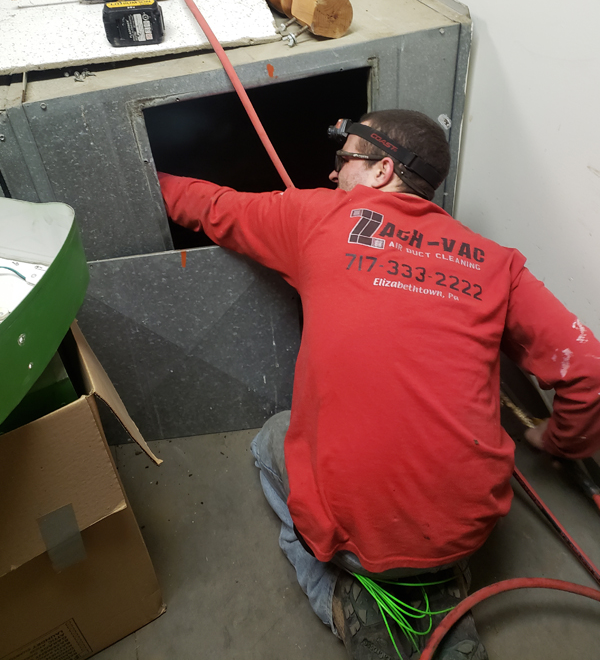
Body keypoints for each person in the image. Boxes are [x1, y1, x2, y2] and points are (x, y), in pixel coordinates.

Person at [158, 109, 600, 660]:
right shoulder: (497, 262)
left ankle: (346, 599)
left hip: (366, 540)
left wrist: (139, 176)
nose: (331, 175)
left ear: (382, 168)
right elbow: (589, 367)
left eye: (343, 162)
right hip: (469, 526)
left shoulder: (319, 216)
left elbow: (211, 206)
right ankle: (441, 594)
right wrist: (560, 442)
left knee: (272, 437)